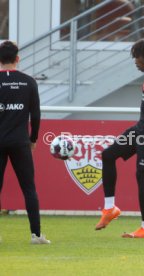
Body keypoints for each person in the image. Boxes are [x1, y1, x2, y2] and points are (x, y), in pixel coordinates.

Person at [95, 39, 144, 238]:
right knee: (108, 155)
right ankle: (109, 209)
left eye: (137, 58)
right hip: (139, 130)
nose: (135, 62)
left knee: (142, 175)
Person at [0, 40, 50, 244]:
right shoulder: (29, 82)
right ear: (18, 58)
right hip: (21, 142)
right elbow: (36, 115)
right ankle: (36, 235)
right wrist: (34, 138)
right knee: (29, 188)